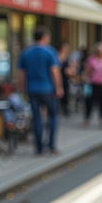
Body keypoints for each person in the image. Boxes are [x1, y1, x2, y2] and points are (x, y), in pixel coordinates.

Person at [17, 27, 62, 155]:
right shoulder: (50, 51)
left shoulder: (26, 52)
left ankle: (39, 147)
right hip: (48, 89)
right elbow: (54, 71)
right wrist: (58, 87)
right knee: (52, 116)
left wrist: (23, 87)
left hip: (32, 89)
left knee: (36, 117)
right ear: (45, 37)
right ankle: (51, 145)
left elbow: (21, 73)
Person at [83, 43, 102, 128]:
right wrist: (86, 80)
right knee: (89, 102)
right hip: (92, 84)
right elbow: (87, 71)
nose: (100, 53)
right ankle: (87, 119)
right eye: (99, 51)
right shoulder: (91, 59)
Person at [57, 43, 76, 117]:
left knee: (66, 94)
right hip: (59, 78)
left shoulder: (68, 58)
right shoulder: (56, 56)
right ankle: (58, 109)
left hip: (65, 79)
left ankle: (65, 109)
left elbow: (71, 67)